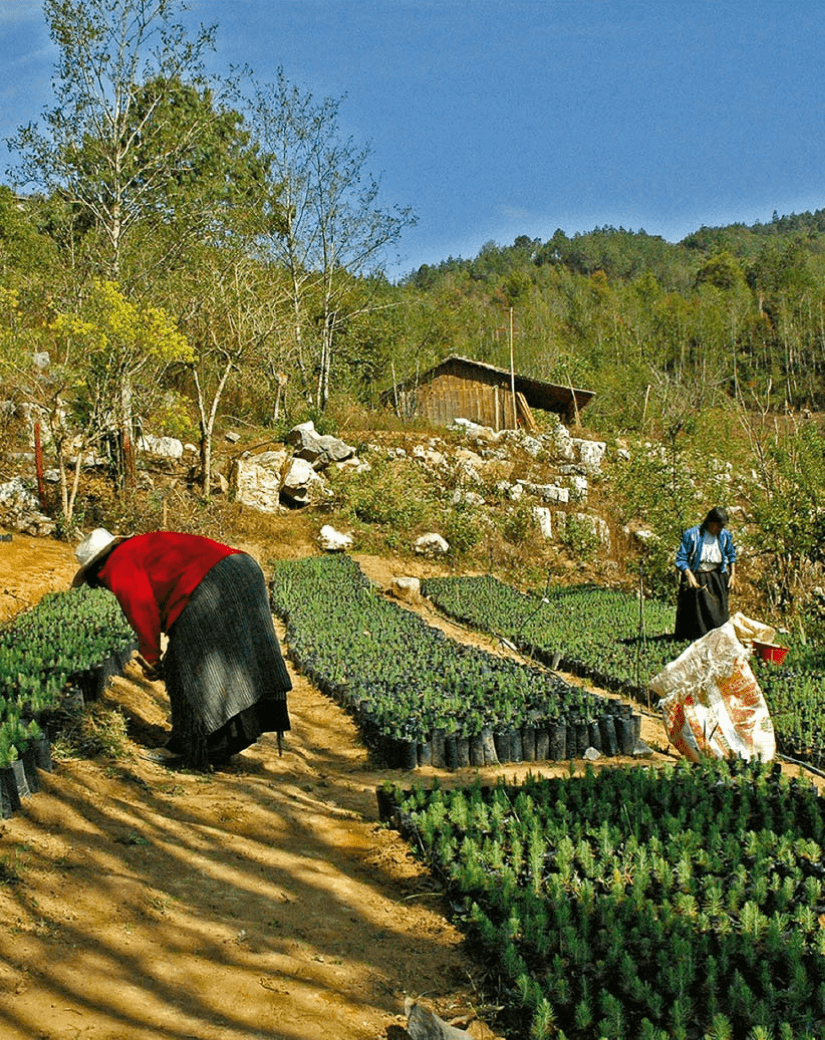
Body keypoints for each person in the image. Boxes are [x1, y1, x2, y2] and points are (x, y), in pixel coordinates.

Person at [72, 528, 291, 768]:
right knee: (241, 654)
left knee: (183, 668)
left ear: (94, 570)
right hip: (243, 568)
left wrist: (152, 657)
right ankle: (226, 740)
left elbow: (141, 608)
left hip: (209, 582)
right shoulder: (139, 546)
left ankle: (188, 748)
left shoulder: (117, 563)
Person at [674, 506, 737, 641]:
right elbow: (681, 558)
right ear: (710, 522)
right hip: (698, 575)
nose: (719, 529)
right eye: (717, 525)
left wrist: (732, 575)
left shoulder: (724, 535)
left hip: (717, 576)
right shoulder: (692, 535)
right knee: (696, 613)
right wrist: (689, 575)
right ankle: (693, 640)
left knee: (717, 612)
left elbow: (731, 554)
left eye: (722, 526)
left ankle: (716, 639)